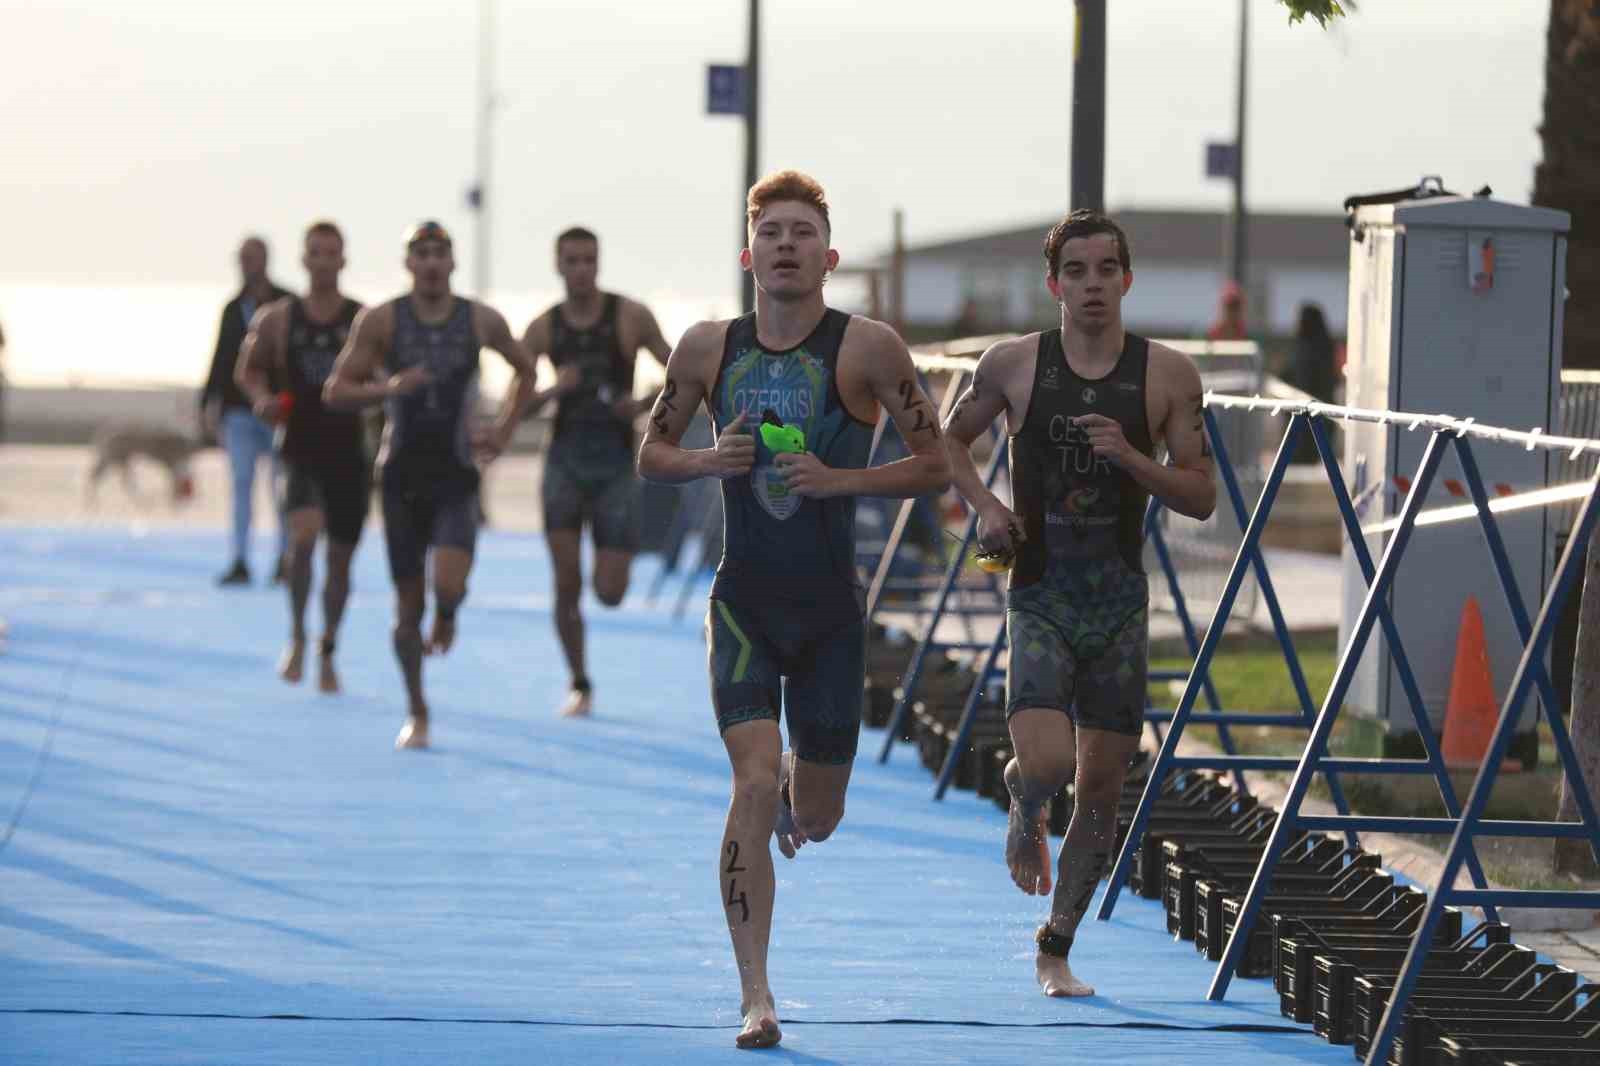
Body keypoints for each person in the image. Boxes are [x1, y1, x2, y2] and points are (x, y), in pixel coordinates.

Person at [637, 170, 949, 1049]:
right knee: (744, 783)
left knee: (816, 817)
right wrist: (710, 461)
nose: (784, 244)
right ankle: (756, 995)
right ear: (748, 253)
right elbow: (651, 454)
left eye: (801, 232)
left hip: (828, 617)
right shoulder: (706, 349)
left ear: (828, 255)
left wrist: (838, 478)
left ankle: (790, 789)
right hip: (743, 601)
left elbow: (935, 467)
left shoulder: (870, 349)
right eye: (770, 231)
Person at [940, 209, 1215, 998]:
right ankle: (1024, 800)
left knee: (1102, 790)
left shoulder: (1167, 375)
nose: (1092, 285)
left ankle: (1054, 946)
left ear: (1127, 279)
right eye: (1077, 272)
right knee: (1053, 766)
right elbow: (949, 444)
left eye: (1106, 270)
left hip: (1120, 602)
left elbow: (1200, 495)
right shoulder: (1014, 364)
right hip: (1040, 592)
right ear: (1053, 283)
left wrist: (1130, 456)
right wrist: (988, 508)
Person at [325, 220, 549, 751]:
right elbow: (336, 390)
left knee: (447, 582)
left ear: (451, 262)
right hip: (400, 472)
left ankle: (448, 610)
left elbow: (526, 371)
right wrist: (387, 388)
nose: (429, 263)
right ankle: (417, 708)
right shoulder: (381, 322)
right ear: (408, 264)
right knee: (407, 607)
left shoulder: (479, 320)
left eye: (439, 254)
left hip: (455, 473)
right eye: (420, 254)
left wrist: (503, 430)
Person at [521, 227, 673, 718]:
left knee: (609, 592)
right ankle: (579, 681)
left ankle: (602, 574)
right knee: (566, 580)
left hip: (613, 466)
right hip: (564, 461)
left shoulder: (629, 316)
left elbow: (681, 371)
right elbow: (516, 406)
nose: (581, 269)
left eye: (589, 260)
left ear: (599, 263)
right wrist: (552, 391)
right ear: (558, 265)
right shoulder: (544, 328)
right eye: (572, 261)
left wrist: (644, 403)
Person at [235, 221, 367, 693]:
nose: (324, 260)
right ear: (304, 259)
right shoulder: (279, 318)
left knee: (340, 562)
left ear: (343, 259)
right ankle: (296, 636)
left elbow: (387, 375)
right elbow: (246, 369)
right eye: (316, 252)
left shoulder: (362, 319)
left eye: (333, 252)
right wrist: (261, 398)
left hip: (349, 452)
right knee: (303, 539)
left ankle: (328, 645)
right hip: (299, 448)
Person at [201, 236, 292, 586]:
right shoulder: (232, 307)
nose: (245, 264)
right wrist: (208, 403)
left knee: (281, 486)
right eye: (241, 258)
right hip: (238, 411)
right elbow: (221, 358)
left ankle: (285, 558)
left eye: (250, 258)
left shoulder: (286, 303)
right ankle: (240, 559)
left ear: (265, 260)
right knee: (241, 485)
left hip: (278, 411)